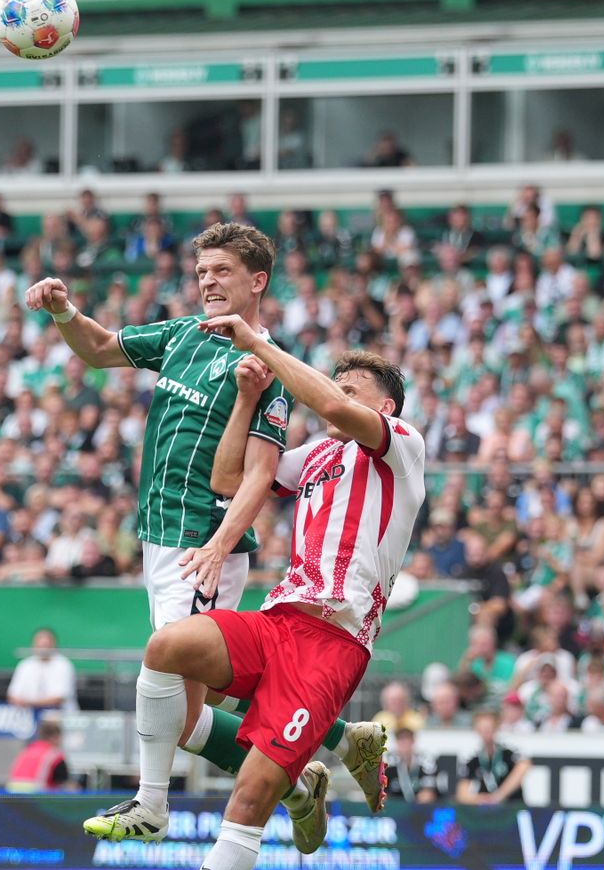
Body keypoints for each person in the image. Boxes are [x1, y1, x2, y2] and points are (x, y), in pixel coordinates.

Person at [98, 331, 426, 870]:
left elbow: (334, 407)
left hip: (333, 645)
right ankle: (154, 803)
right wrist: (247, 399)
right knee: (168, 647)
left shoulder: (401, 445)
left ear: (385, 405)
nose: (339, 393)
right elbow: (228, 479)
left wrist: (257, 345)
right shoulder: (318, 455)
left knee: (249, 796)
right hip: (278, 621)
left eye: (355, 385)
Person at [27, 224, 386, 821]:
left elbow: (258, 475)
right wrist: (64, 310)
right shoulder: (180, 335)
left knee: (166, 670)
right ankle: (325, 762)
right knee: (189, 711)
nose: (208, 282)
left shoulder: (264, 365)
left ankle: (152, 805)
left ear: (257, 281)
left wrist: (219, 545)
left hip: (202, 542)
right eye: (201, 273)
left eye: (222, 271)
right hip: (158, 538)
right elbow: (96, 349)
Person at [455, 708, 531, 806]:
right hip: (486, 811)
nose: (485, 732)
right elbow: (462, 794)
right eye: (481, 728)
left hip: (511, 807)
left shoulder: (507, 752)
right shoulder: (472, 758)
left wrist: (499, 796)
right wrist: (480, 799)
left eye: (488, 728)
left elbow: (524, 766)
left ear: (496, 728)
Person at [6, 627, 78, 713]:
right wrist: (22, 703)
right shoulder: (25, 665)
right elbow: (12, 695)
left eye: (46, 645)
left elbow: (58, 698)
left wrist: (28, 703)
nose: (43, 649)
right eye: (40, 645)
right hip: (28, 719)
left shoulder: (63, 665)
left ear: (54, 645)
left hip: (59, 718)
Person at [6, 718, 72, 793]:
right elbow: (65, 784)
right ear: (55, 737)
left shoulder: (26, 751)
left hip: (12, 798)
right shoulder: (55, 756)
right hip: (36, 799)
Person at [384, 727, 438, 805]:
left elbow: (429, 791)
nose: (404, 744)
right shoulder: (389, 764)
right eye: (401, 740)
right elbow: (381, 792)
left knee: (427, 797)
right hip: (395, 806)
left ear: (413, 741)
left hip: (419, 807)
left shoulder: (426, 762)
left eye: (407, 740)